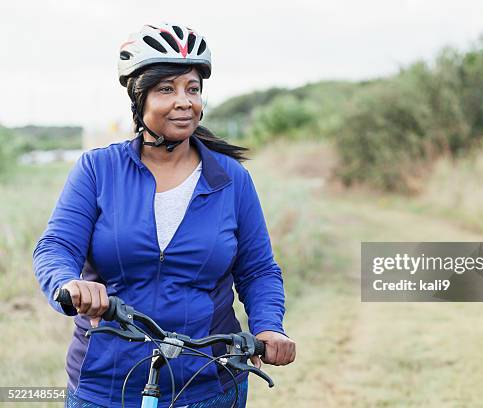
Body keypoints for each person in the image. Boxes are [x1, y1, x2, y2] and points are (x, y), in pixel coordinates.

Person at [33, 22, 295, 408]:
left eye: (193, 89)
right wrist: (69, 284)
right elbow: (56, 245)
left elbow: (258, 270)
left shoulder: (231, 179)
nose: (184, 101)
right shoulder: (98, 170)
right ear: (139, 99)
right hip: (106, 385)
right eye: (166, 89)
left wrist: (269, 327)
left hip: (210, 381)